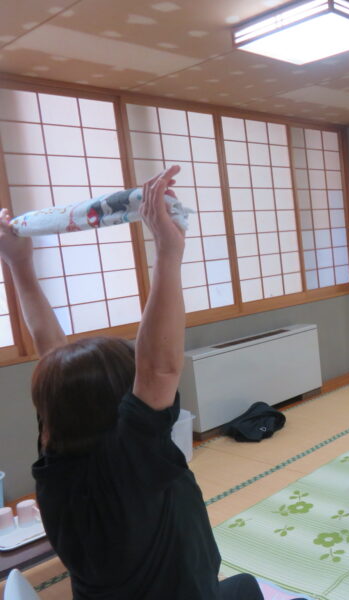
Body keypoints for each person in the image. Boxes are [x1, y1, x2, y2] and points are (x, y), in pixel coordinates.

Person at [0, 165, 262, 599]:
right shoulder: (129, 466)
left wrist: (19, 265)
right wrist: (168, 251)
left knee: (243, 587)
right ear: (122, 404)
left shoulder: (56, 460)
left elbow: (53, 355)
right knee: (246, 589)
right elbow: (159, 369)